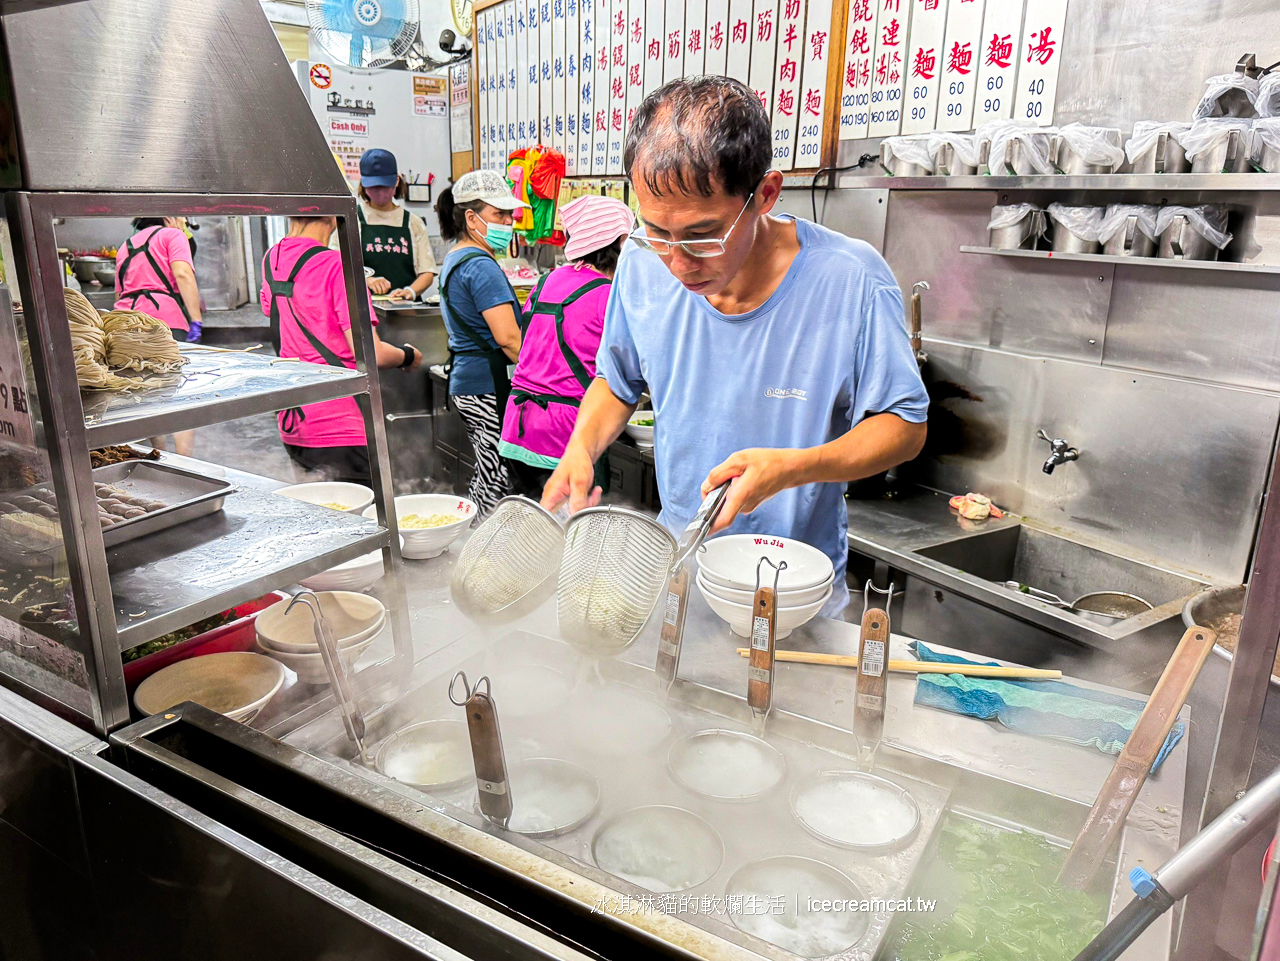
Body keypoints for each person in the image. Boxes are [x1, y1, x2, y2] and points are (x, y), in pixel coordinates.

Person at [542, 78, 929, 616]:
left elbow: (905, 427)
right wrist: (581, 447)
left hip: (796, 596)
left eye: (702, 236)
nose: (677, 263)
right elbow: (617, 380)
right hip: (682, 582)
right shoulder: (639, 265)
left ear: (765, 195)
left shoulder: (852, 280)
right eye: (656, 232)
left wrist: (795, 467)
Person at [262, 215, 422, 485]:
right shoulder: (337, 265)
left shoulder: (272, 259)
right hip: (341, 422)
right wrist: (407, 355)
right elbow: (373, 353)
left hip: (294, 420)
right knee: (363, 521)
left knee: (320, 514)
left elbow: (278, 318)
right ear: (332, 215)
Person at [498, 194, 633, 497]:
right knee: (578, 534)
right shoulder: (608, 296)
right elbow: (632, 365)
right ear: (621, 241)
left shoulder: (546, 281)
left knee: (533, 528)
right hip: (565, 435)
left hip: (518, 425)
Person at [434, 169, 527, 514]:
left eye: (508, 214)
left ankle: (471, 544)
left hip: (468, 382)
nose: (509, 222)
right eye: (499, 214)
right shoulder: (481, 266)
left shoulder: (457, 257)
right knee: (498, 478)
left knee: (489, 473)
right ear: (471, 218)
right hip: (487, 386)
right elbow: (509, 340)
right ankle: (481, 551)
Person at [346, 148, 437, 302]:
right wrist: (367, 280)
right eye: (374, 187)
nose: (380, 192)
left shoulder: (413, 223)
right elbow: (339, 267)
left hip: (405, 311)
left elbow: (427, 272)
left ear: (396, 181)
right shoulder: (352, 221)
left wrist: (410, 291)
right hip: (365, 310)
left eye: (385, 186)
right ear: (363, 184)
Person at [114, 216, 204, 340]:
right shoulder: (173, 235)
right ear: (169, 217)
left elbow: (119, 294)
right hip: (165, 322)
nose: (184, 221)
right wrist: (196, 320)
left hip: (125, 323)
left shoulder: (125, 246)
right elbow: (183, 275)